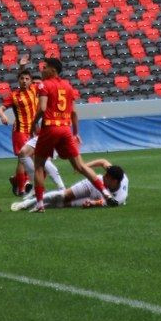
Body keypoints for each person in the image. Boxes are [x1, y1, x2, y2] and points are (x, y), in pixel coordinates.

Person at [31, 57, 113, 212]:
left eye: (44, 67)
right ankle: (106, 193)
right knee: (80, 165)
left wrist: (33, 123)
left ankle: (40, 204)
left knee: (39, 166)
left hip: (50, 128)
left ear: (53, 70)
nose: (42, 70)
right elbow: (74, 112)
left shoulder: (44, 84)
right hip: (65, 129)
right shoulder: (68, 86)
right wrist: (76, 133)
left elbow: (42, 108)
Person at [11, 159, 127, 211]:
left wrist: (92, 203)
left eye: (107, 177)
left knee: (63, 204)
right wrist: (83, 167)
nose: (104, 177)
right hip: (92, 184)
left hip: (97, 197)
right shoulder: (116, 173)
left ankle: (40, 206)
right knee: (63, 195)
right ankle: (26, 203)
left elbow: (102, 202)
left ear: (115, 181)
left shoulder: (120, 197)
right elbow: (102, 161)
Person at [0, 68, 40, 196]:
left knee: (34, 159)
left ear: (31, 81)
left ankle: (17, 180)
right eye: (21, 79)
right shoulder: (14, 95)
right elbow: (0, 108)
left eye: (27, 79)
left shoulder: (34, 90)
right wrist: (2, 115)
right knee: (23, 159)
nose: (24, 81)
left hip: (33, 131)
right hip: (20, 130)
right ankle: (21, 189)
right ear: (18, 80)